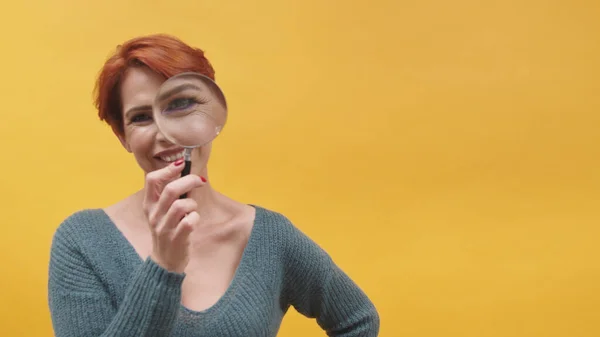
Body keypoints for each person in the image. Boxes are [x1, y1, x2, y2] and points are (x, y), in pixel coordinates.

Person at [47, 33, 380, 337]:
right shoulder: (83, 242)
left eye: (180, 105)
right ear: (123, 137)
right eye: (141, 117)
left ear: (211, 114)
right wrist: (164, 265)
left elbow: (358, 319)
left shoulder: (269, 237)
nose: (165, 132)